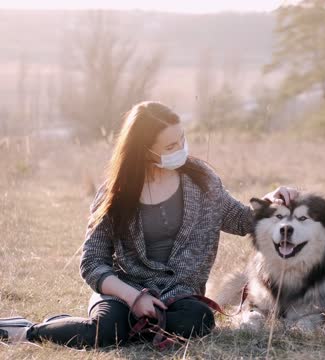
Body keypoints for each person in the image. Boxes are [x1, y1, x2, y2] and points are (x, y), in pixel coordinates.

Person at [0, 101, 297, 348]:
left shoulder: (202, 181)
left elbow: (240, 219)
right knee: (106, 333)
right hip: (124, 290)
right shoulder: (115, 194)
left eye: (181, 139)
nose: (180, 148)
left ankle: (136, 326)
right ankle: (27, 331)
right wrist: (134, 297)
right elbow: (92, 262)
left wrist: (270, 202)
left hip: (179, 294)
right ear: (145, 151)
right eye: (170, 145)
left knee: (197, 321)